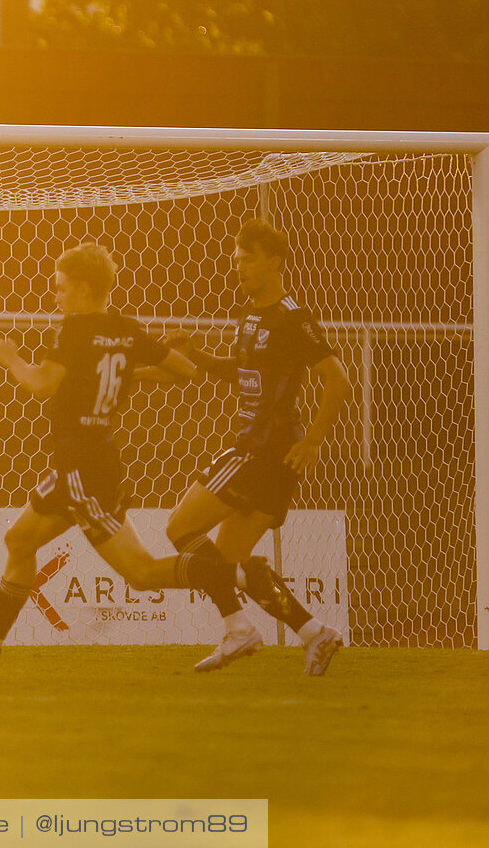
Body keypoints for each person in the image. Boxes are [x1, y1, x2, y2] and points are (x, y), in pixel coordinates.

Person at [0, 242, 274, 669]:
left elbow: (42, 384)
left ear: (82, 289)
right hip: (82, 465)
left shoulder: (75, 331)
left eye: (60, 289)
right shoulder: (126, 329)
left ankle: (243, 576)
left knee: (141, 573)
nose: (56, 297)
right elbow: (186, 371)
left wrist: (10, 357)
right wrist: (125, 369)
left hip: (84, 472)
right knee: (19, 540)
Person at [162, 218, 352, 676]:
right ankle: (313, 633)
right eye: (237, 258)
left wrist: (313, 441)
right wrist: (198, 354)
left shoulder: (292, 318)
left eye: (247, 259)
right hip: (264, 456)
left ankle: (240, 628)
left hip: (263, 451)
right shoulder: (250, 316)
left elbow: (338, 380)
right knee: (228, 563)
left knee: (180, 529)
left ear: (275, 262)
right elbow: (242, 373)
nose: (238, 266)